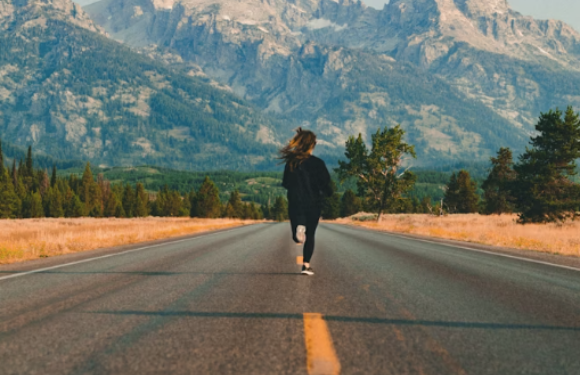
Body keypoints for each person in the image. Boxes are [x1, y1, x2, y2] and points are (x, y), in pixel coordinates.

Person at [280, 128, 333, 276]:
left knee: (297, 234)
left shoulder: (291, 163)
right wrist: (328, 193)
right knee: (311, 235)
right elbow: (326, 184)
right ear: (312, 145)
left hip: (296, 202)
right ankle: (306, 265)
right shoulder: (318, 163)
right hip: (314, 203)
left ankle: (299, 227)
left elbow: (286, 183)